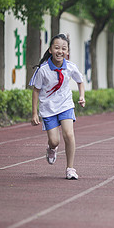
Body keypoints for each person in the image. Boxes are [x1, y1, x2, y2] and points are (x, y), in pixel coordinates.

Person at [29, 33, 86, 180]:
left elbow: (80, 81)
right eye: (57, 48)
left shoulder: (70, 67)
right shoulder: (43, 69)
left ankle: (70, 168)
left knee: (69, 134)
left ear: (67, 52)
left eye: (63, 48)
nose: (60, 51)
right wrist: (35, 113)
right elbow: (36, 90)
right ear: (50, 50)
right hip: (48, 109)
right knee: (55, 141)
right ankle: (51, 149)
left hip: (66, 105)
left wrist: (81, 96)